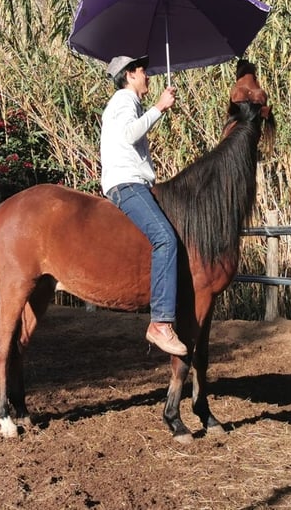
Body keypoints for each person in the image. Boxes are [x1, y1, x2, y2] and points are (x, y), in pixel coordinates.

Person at [100, 54, 187, 356]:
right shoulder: (124, 100)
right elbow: (129, 134)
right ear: (130, 75)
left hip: (129, 181)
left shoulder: (125, 102)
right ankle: (160, 323)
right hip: (127, 183)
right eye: (143, 71)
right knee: (164, 238)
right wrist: (160, 107)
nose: (147, 75)